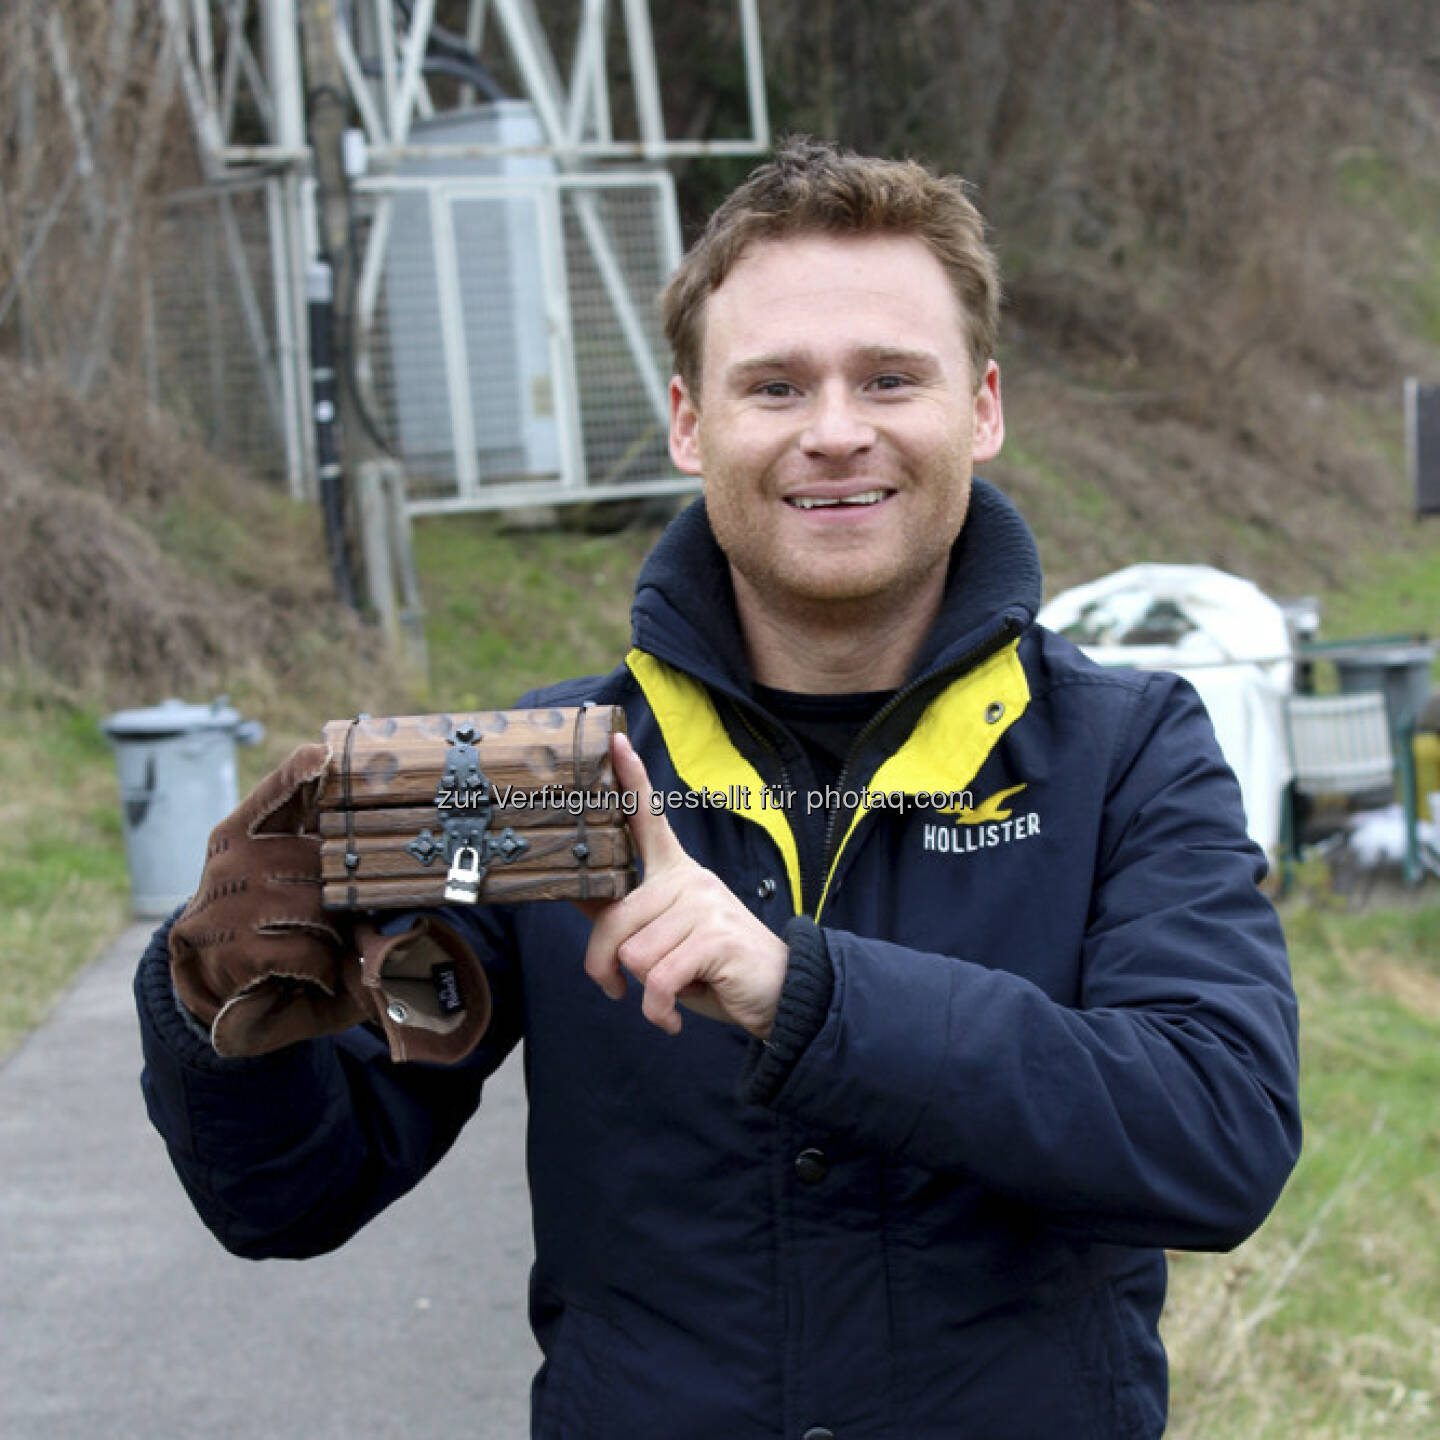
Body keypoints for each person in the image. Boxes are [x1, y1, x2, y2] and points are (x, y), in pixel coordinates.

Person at [136, 137, 1302, 1439]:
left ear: (981, 406)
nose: (836, 431)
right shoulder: (537, 773)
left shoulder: (1123, 750)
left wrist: (802, 994)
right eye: (775, 385)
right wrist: (221, 1007)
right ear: (692, 423)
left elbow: (1219, 1140)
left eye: (890, 378)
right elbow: (286, 1201)